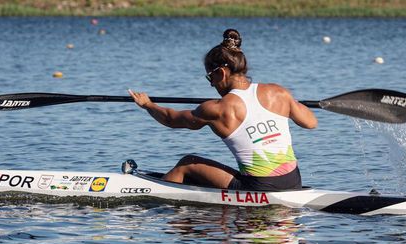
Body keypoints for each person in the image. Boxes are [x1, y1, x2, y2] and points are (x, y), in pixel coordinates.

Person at [128, 29, 317, 191]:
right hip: (293, 182)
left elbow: (171, 119)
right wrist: (290, 101)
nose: (212, 85)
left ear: (222, 73)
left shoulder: (217, 109)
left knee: (187, 163)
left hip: (258, 187)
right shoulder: (278, 92)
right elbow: (311, 123)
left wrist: (148, 105)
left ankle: (152, 200)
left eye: (210, 77)